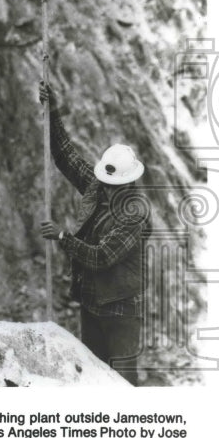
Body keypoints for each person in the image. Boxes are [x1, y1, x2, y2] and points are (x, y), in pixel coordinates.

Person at [38, 81, 148, 385]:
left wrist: (63, 238)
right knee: (94, 381)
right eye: (105, 182)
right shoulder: (100, 186)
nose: (107, 188)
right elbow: (65, 156)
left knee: (123, 382)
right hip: (93, 304)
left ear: (128, 184)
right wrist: (54, 110)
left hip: (121, 312)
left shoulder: (134, 213)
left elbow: (101, 258)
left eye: (113, 186)